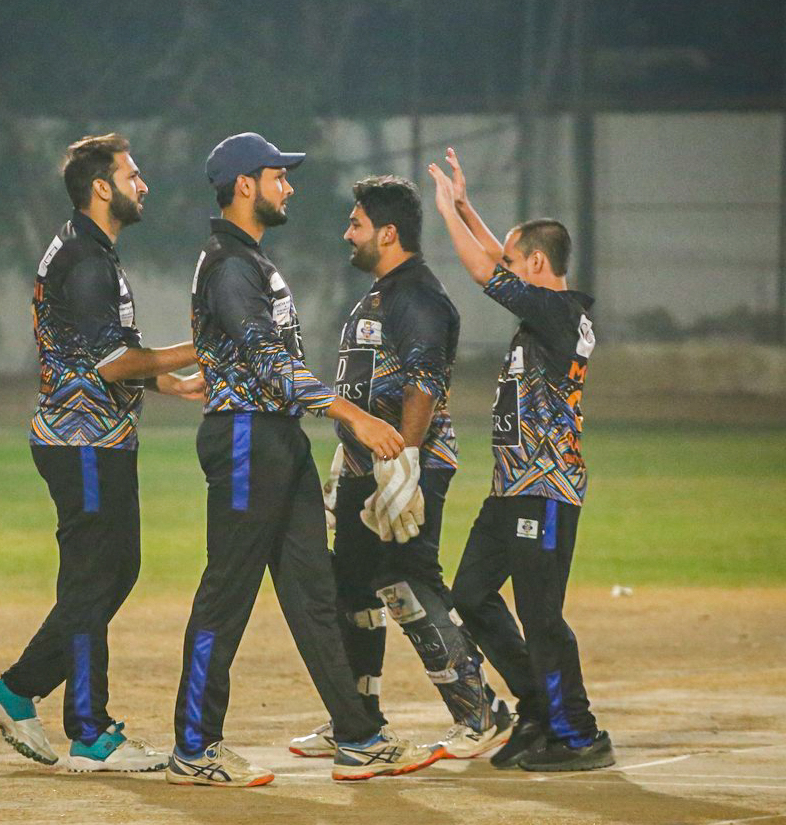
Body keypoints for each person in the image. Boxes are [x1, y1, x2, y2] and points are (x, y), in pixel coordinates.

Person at [166, 133, 444, 787]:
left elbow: (252, 358)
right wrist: (354, 416)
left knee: (314, 593)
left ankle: (358, 736)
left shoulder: (249, 260)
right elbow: (268, 360)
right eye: (277, 176)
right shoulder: (229, 264)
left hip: (275, 438)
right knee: (225, 596)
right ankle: (194, 748)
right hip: (245, 441)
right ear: (245, 185)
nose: (287, 187)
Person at [0, 133, 203, 772]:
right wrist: (205, 346)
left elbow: (93, 350)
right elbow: (110, 361)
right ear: (101, 187)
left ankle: (48, 707)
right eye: (132, 175)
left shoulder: (85, 249)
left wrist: (169, 381)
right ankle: (70, 721)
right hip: (85, 445)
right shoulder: (88, 260)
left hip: (90, 442)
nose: (143, 185)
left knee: (105, 576)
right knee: (98, 580)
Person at [288, 175, 512, 762]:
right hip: (368, 467)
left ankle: (481, 712)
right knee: (351, 585)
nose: (348, 234)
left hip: (407, 467)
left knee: (407, 580)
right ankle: (357, 720)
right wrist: (348, 455)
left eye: (356, 224)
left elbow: (424, 382)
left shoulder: (418, 295)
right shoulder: (383, 293)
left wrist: (407, 460)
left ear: (388, 233)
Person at [427, 148, 613, 772]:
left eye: (515, 259)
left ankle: (578, 733)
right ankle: (538, 706)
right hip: (511, 488)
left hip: (546, 488)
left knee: (541, 614)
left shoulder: (558, 313)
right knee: (472, 593)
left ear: (537, 263)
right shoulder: (549, 313)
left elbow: (487, 272)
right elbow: (499, 260)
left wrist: (445, 214)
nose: (506, 267)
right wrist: (466, 207)